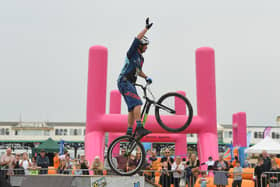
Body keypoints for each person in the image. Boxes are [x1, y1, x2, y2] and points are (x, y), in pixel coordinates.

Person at [117, 17, 153, 137]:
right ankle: (139, 127)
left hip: (129, 83)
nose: (146, 48)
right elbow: (137, 38)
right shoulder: (132, 52)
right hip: (124, 81)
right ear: (140, 45)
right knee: (138, 103)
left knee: (132, 108)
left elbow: (139, 71)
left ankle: (129, 132)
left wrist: (146, 77)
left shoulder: (141, 58)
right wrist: (146, 29)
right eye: (145, 45)